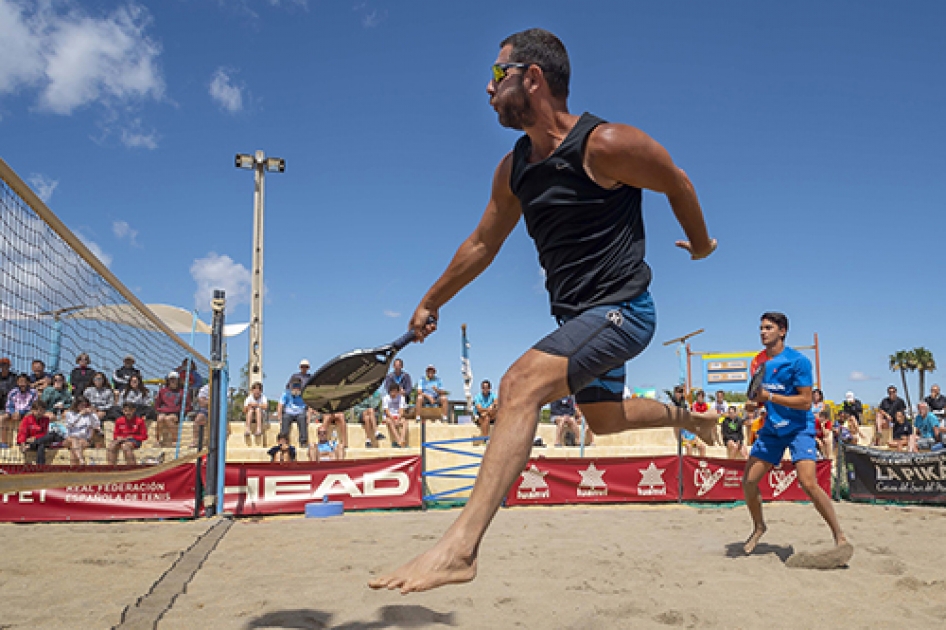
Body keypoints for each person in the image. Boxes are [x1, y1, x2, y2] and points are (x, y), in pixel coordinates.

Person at [370, 28, 718, 593]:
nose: (487, 88)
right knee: (604, 420)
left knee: (518, 385)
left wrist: (701, 244)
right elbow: (482, 243)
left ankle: (460, 549)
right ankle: (691, 419)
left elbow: (676, 182)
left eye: (496, 73)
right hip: (578, 321)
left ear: (532, 76)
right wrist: (432, 300)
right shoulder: (515, 170)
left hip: (623, 309)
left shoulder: (605, 144)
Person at [741, 312, 851, 568]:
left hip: (799, 428)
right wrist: (753, 403)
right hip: (772, 429)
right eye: (760, 327)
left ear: (782, 331)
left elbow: (804, 402)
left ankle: (840, 536)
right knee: (749, 482)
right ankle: (759, 527)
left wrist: (769, 397)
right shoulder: (758, 362)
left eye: (768, 327)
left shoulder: (798, 361)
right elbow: (758, 397)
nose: (762, 332)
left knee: (808, 483)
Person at [2, 373, 38, 448]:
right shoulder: (13, 392)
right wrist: (12, 413)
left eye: (24, 382)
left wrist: (20, 413)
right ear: (17, 383)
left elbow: (33, 406)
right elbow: (9, 405)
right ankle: (4, 442)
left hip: (26, 412)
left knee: (30, 415)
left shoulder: (33, 392)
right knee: (2, 418)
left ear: (28, 382)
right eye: (20, 382)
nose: (22, 384)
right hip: (14, 413)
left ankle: (25, 441)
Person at [154, 372, 190, 447]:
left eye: (174, 379)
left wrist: (182, 411)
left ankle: (175, 440)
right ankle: (157, 440)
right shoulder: (163, 391)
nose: (173, 381)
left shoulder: (182, 391)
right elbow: (157, 403)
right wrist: (159, 409)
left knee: (168, 419)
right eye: (171, 379)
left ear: (178, 380)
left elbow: (188, 405)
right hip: (165, 410)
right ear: (168, 380)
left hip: (176, 412)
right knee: (160, 418)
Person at [62, 396, 100, 465]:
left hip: (84, 439)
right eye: (81, 405)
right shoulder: (70, 414)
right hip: (70, 438)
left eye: (85, 405)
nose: (84, 407)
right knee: (74, 440)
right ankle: (81, 460)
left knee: (75, 448)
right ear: (76, 405)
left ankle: (74, 469)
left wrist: (91, 414)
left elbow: (96, 425)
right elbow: (70, 424)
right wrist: (80, 414)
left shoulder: (91, 415)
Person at [17, 399, 56, 464]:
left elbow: (44, 433)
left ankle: (39, 466)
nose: (39, 412)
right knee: (42, 445)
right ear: (32, 410)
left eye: (41, 410)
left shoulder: (46, 419)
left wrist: (35, 438)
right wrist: (22, 444)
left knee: (51, 435)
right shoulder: (27, 419)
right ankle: (40, 466)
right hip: (29, 442)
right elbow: (22, 432)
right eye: (37, 410)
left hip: (37, 441)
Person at [278, 378, 309, 447]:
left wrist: (309, 417)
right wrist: (279, 418)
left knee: (302, 418)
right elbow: (280, 405)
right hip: (288, 412)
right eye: (294, 386)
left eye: (297, 386)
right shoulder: (286, 393)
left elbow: (309, 406)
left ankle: (303, 442)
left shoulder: (304, 394)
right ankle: (283, 441)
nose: (296, 388)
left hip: (300, 412)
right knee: (285, 418)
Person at [382, 382, 409, 447]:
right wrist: (393, 419)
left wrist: (398, 418)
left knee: (405, 422)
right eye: (392, 391)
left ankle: (402, 439)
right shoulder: (385, 398)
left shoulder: (401, 398)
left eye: (395, 391)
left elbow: (401, 410)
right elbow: (386, 411)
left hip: (398, 416)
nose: (393, 393)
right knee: (390, 422)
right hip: (389, 417)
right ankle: (398, 440)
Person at [0, 358, 17, 445]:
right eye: (2, 365)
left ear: (9, 366)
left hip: (10, 404)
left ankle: (3, 442)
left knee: (2, 418)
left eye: (6, 365)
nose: (4, 367)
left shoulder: (14, 377)